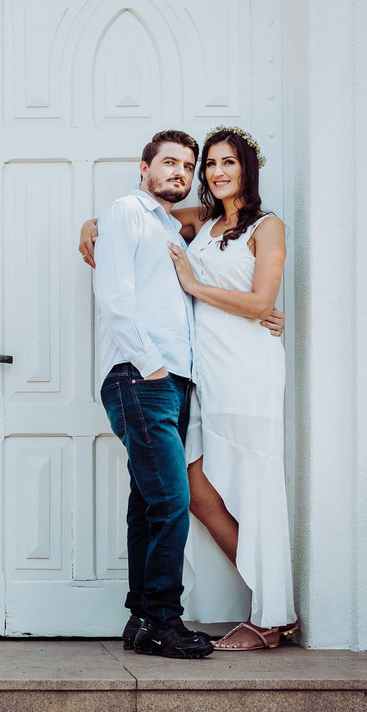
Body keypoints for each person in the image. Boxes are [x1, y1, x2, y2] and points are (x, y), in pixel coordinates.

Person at [81, 126, 296, 651]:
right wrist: (90, 223)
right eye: (210, 165)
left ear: (247, 169)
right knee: (185, 494)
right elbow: (122, 230)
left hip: (232, 370)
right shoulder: (189, 222)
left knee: (213, 489)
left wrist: (198, 287)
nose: (214, 173)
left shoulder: (263, 226)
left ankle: (264, 611)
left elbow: (261, 300)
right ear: (147, 166)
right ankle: (160, 619)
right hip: (175, 375)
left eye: (228, 163)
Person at [92, 129, 214, 659]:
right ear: (144, 167)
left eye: (188, 167)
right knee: (171, 502)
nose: (179, 174)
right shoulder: (126, 212)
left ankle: (142, 621)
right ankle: (164, 620)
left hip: (170, 382)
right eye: (169, 163)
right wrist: (152, 367)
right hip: (140, 377)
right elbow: (114, 295)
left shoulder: (171, 225)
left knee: (148, 504)